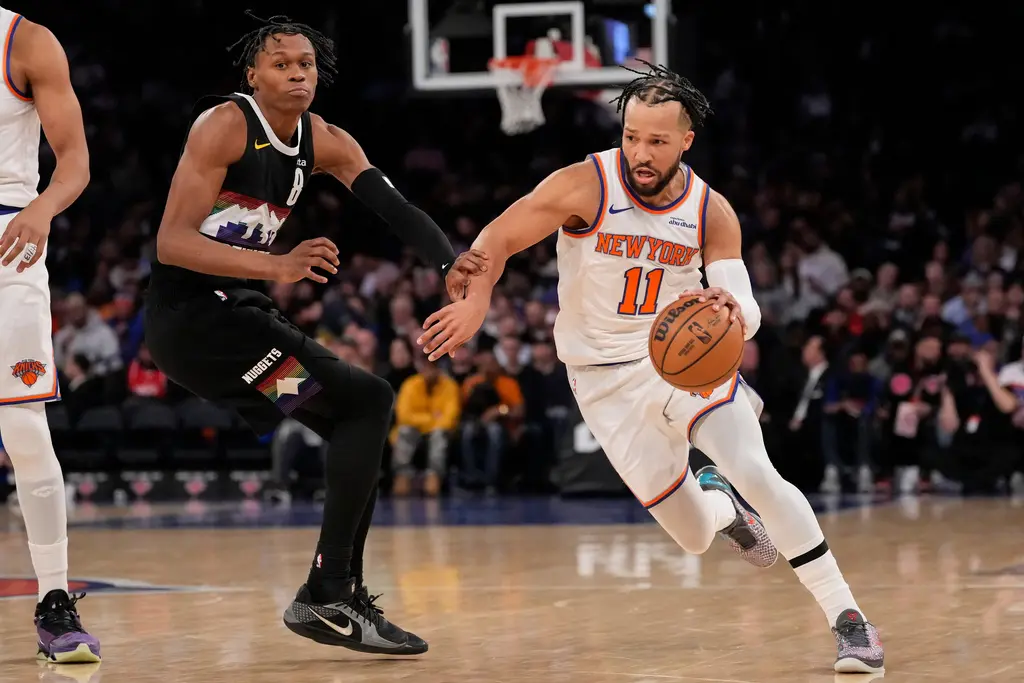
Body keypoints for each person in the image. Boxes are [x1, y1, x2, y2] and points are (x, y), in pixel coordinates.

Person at [419, 62, 884, 674]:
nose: (640, 152)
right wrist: (478, 299)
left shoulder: (711, 211)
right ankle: (722, 507)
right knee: (693, 535)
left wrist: (733, 310)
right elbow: (498, 238)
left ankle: (849, 620)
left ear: (686, 140)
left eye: (657, 141)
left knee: (756, 469)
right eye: (631, 136)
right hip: (601, 380)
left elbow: (744, 305)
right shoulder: (586, 185)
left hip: (683, 364)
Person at [143, 12, 485, 655]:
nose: (298, 73)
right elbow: (172, 243)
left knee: (356, 416)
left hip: (232, 321)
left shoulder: (324, 139)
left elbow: (393, 207)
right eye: (281, 64)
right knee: (369, 400)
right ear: (253, 74)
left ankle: (335, 594)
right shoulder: (224, 125)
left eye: (306, 64)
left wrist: (447, 262)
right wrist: (278, 266)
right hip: (194, 320)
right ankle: (328, 591)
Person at [0, 8, 100, 664]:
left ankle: (54, 599)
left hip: (9, 241)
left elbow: (75, 162)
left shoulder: (26, 40)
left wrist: (42, 206)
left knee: (25, 428)